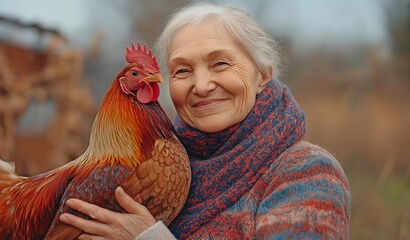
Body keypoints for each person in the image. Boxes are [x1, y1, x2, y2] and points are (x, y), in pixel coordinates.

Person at [59, 3, 350, 239]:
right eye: (182, 71)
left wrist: (149, 237)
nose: (200, 85)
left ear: (262, 75)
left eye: (220, 64)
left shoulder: (307, 172)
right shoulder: (155, 172)